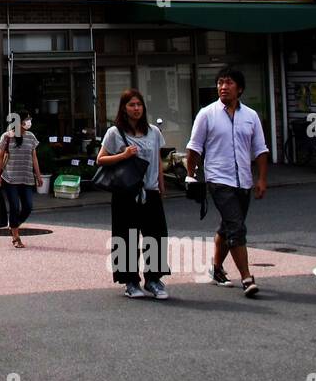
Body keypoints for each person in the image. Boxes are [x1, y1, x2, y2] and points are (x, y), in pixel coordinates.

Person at [185, 66, 269, 298]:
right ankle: (247, 278)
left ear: (239, 88)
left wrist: (262, 179)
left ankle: (216, 268)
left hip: (244, 180)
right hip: (218, 179)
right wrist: (190, 174)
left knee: (228, 225)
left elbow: (260, 150)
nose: (223, 87)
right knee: (236, 227)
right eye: (220, 82)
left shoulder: (251, 116)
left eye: (229, 82)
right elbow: (194, 148)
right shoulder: (207, 114)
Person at [98, 90, 170, 299]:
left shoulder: (154, 132)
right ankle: (130, 281)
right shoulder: (115, 133)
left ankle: (154, 280)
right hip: (125, 193)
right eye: (131, 105)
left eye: (139, 104)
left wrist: (161, 186)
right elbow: (100, 159)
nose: (136, 108)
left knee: (156, 236)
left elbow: (157, 159)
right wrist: (123, 154)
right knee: (125, 237)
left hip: (151, 191)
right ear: (123, 108)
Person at [0, 111, 41, 250]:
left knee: (28, 206)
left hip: (26, 178)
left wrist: (38, 175)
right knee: (14, 206)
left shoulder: (31, 137)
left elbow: (34, 157)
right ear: (19, 122)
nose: (29, 122)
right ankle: (15, 236)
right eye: (27, 120)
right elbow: (0, 157)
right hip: (10, 178)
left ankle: (14, 224)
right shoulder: (7, 137)